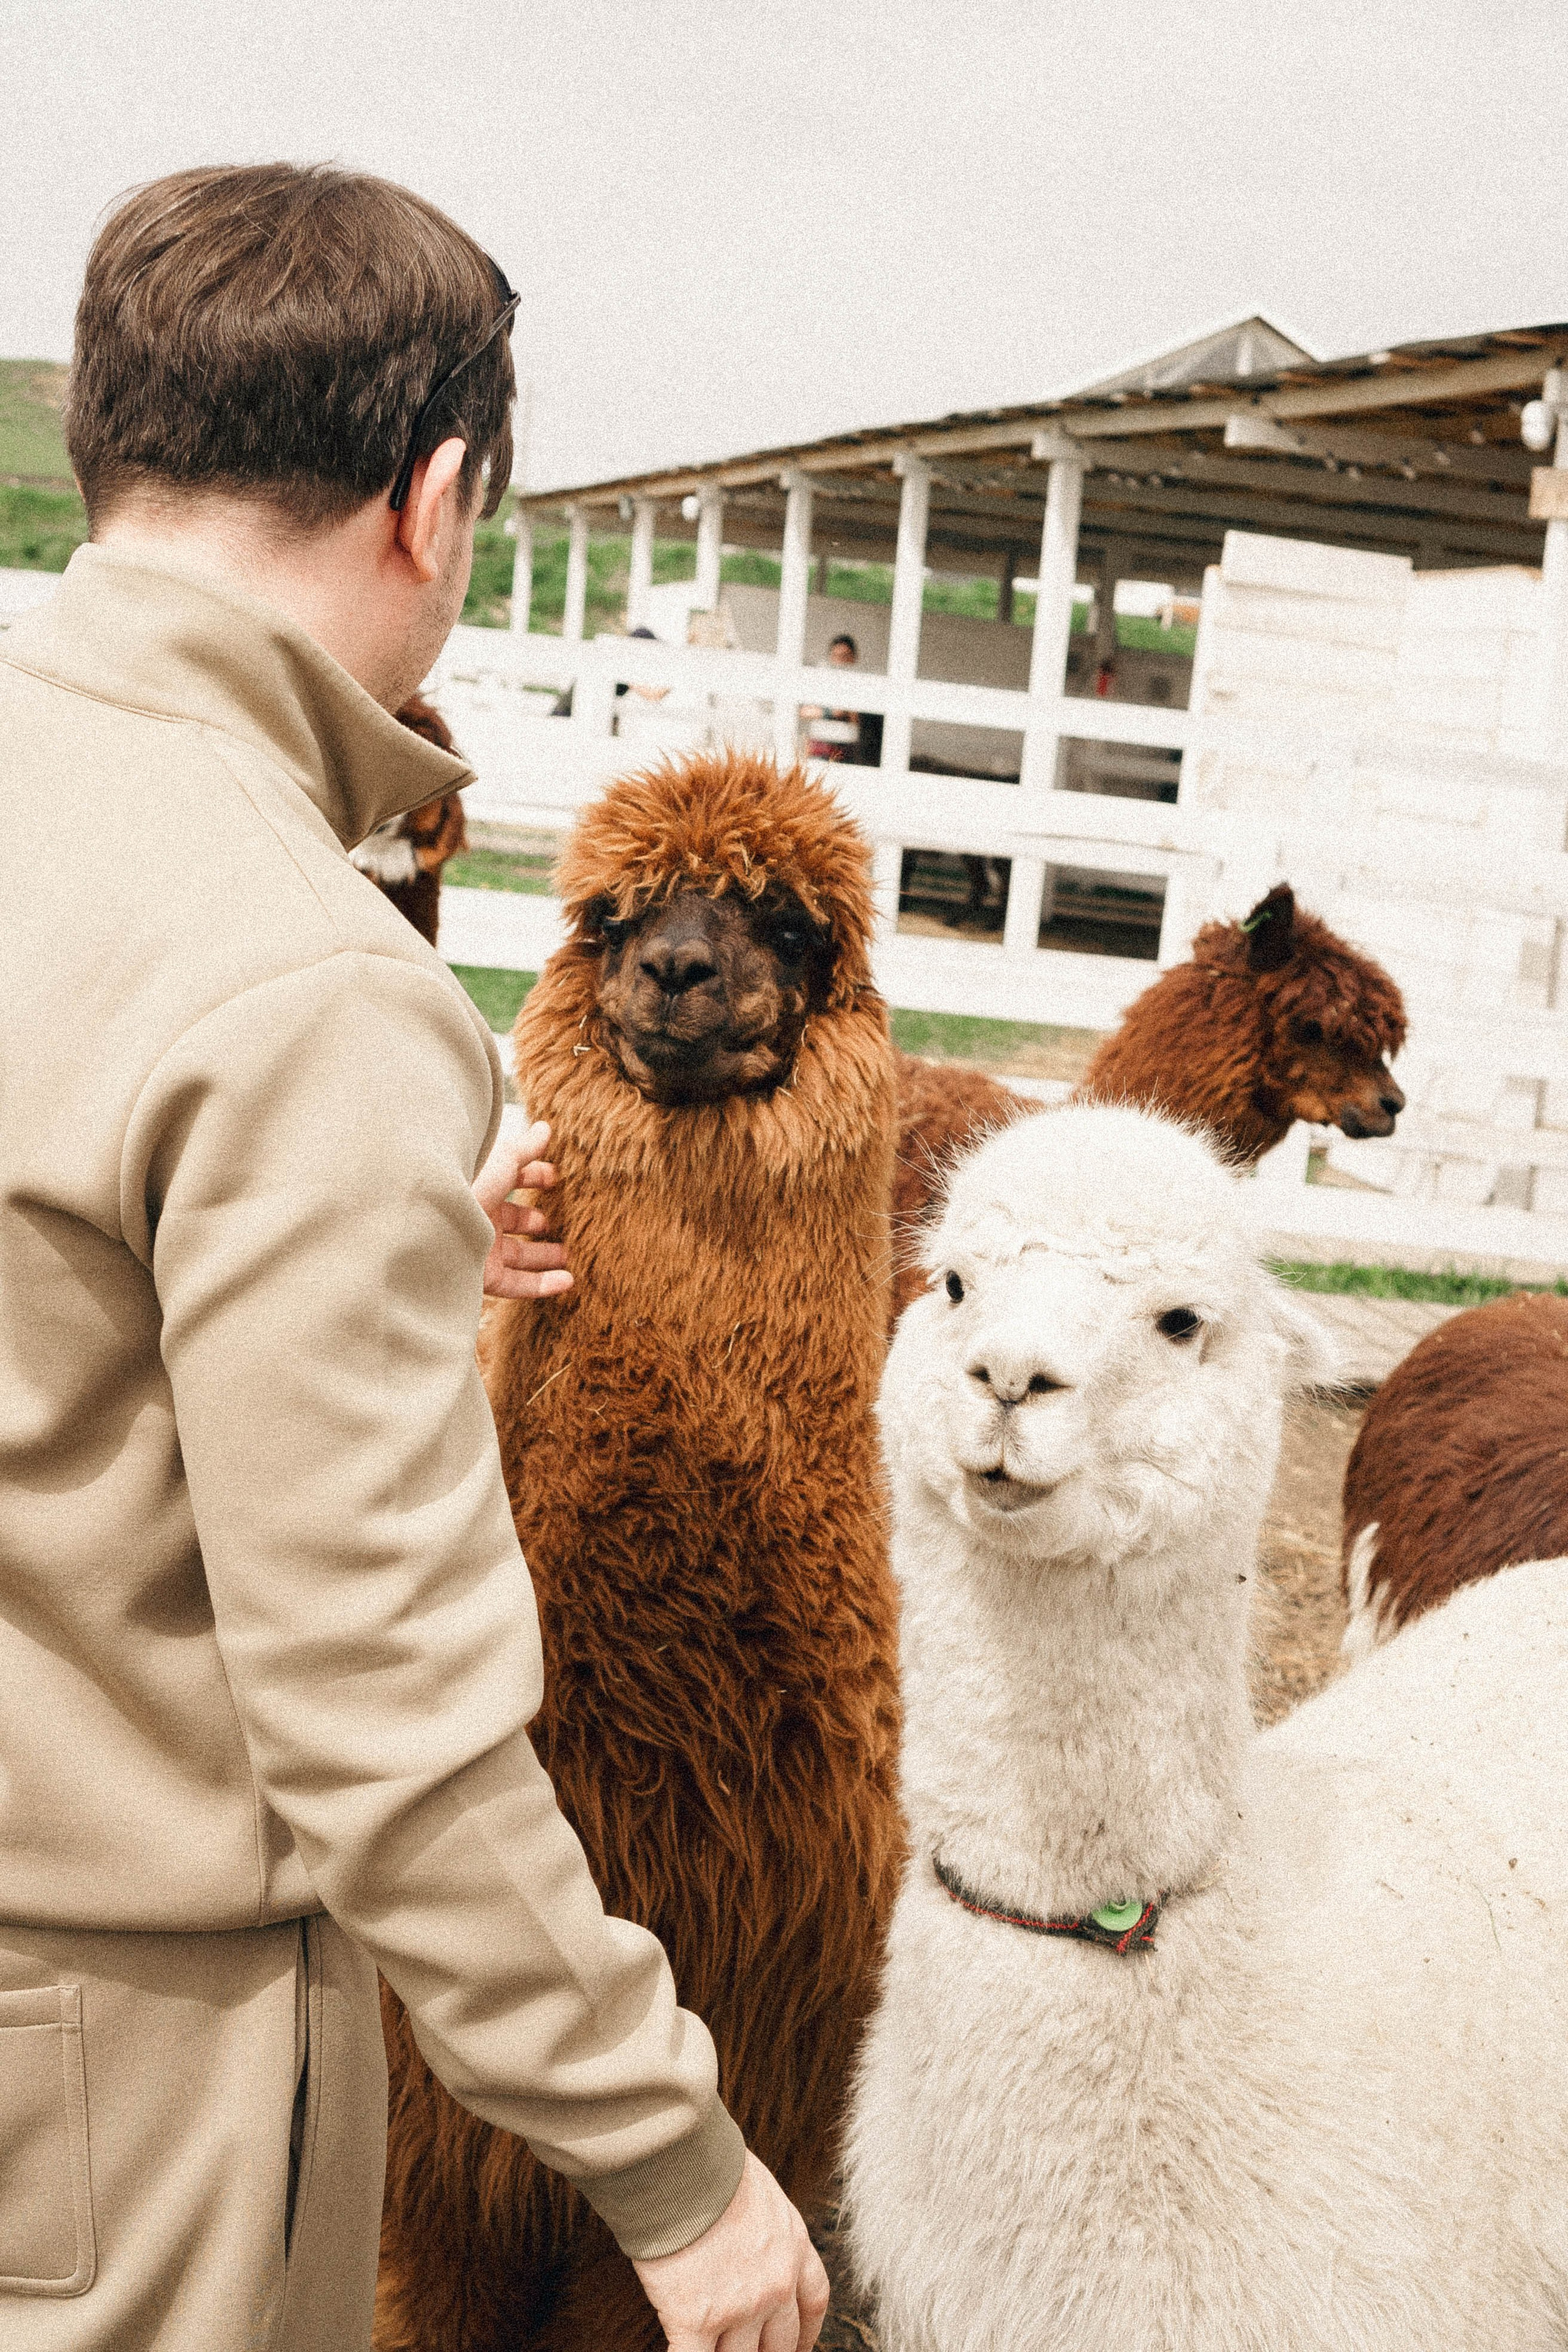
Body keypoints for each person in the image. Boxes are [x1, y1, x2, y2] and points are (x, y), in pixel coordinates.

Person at [0, 163, 827, 2352]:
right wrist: (675, 2164)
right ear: (436, 494)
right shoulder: (298, 984)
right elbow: (377, 1716)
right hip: (114, 2068)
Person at [803, 631, 882, 766]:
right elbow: (805, 711)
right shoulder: (820, 683)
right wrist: (832, 712)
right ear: (830, 657)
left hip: (846, 751)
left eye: (845, 656)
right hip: (820, 748)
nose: (840, 661)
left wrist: (849, 711)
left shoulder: (860, 685)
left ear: (854, 658)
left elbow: (859, 721)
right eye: (837, 656)